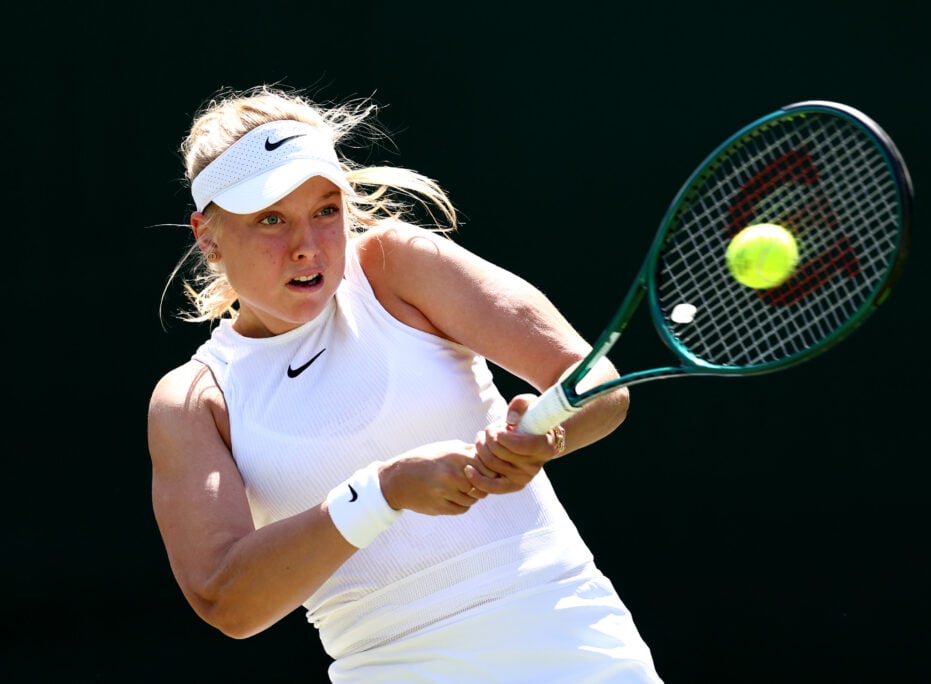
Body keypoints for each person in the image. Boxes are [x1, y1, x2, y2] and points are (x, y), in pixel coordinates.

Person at [148, 84, 663, 683]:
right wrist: (383, 491)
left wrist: (546, 437)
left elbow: (596, 382)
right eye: (270, 220)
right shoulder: (193, 401)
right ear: (206, 236)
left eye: (325, 210)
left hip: (575, 647)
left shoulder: (398, 266)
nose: (307, 247)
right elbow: (226, 601)